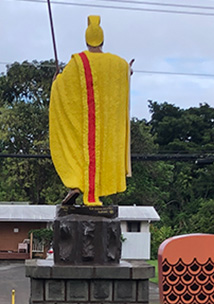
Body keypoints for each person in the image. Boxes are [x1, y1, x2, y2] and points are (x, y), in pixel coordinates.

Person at [48, 15, 131, 206]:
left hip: (86, 123)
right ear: (102, 40)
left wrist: (57, 82)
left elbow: (61, 86)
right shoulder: (117, 63)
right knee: (99, 154)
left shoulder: (78, 62)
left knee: (80, 151)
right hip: (106, 126)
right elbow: (126, 71)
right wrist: (128, 72)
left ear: (87, 40)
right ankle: (87, 189)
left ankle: (79, 185)